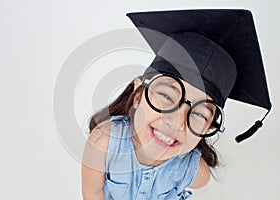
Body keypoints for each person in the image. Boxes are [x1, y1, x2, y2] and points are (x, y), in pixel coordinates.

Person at [82, 9, 272, 199]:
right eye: (166, 96)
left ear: (208, 126)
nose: (177, 121)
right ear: (138, 95)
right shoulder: (104, 142)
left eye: (199, 114)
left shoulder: (195, 171)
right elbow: (93, 192)